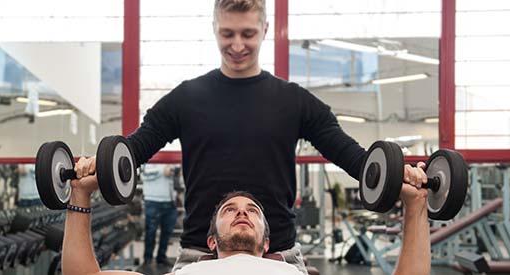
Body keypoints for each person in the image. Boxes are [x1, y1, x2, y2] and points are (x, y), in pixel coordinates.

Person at [72, 0, 430, 273]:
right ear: (214, 29)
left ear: (265, 29)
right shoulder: (186, 98)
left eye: (248, 34)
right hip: (202, 251)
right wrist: (92, 169)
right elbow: (134, 149)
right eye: (228, 34)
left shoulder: (295, 101)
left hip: (278, 253)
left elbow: (355, 159)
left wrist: (400, 176)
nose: (238, 45)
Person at [60, 186, 430, 275]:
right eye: (229, 210)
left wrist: (416, 206)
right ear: (210, 240)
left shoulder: (290, 272)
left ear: (267, 242)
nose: (242, 213)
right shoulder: (189, 272)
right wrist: (79, 192)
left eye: (252, 210)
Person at [140, 164, 178, 266]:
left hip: (170, 201)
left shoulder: (169, 157)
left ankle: (161, 257)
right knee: (151, 232)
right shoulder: (149, 157)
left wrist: (173, 168)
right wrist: (162, 170)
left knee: (167, 232)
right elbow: (144, 174)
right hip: (153, 201)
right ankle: (147, 259)